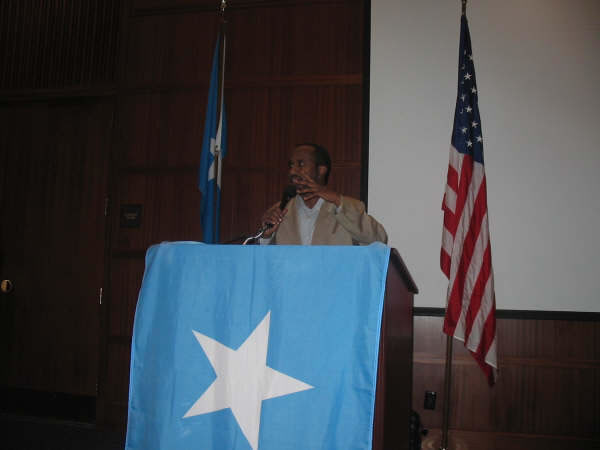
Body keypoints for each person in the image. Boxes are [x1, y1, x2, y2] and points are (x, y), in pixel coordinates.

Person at [259, 143, 388, 245]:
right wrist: (266, 236)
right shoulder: (279, 211)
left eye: (301, 164)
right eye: (291, 165)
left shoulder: (343, 208)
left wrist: (338, 200)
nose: (292, 171)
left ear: (321, 170)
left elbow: (379, 239)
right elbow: (267, 259)